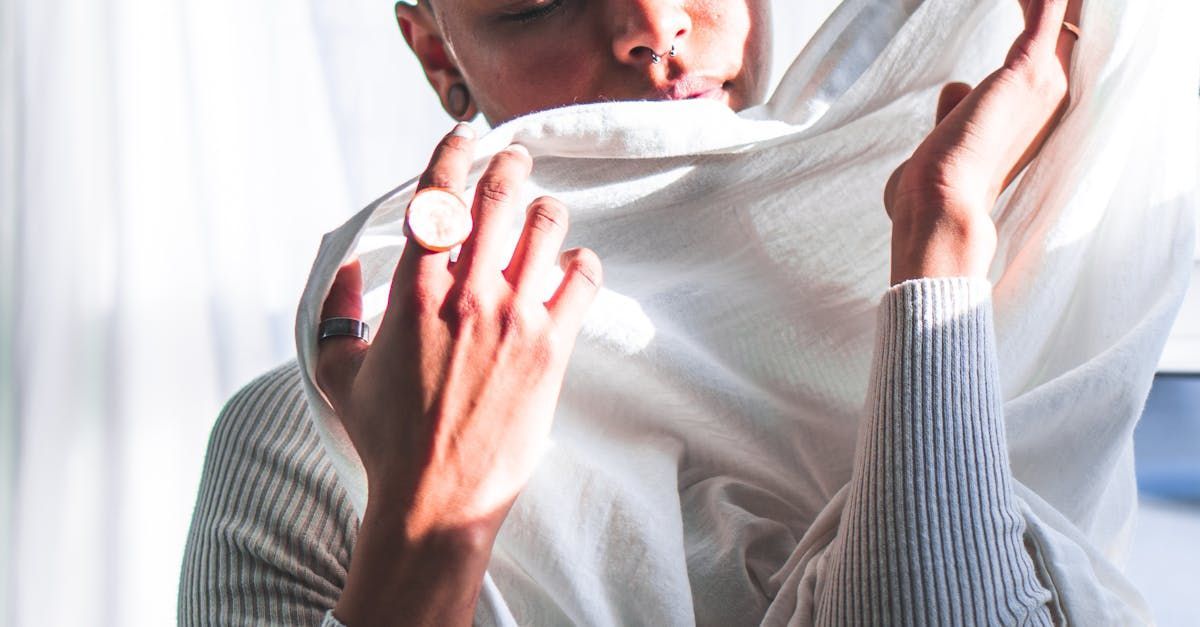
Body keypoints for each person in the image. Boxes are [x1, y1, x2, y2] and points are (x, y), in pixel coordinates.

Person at [179, 0, 1095, 624]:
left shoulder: (994, 320)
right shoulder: (311, 444)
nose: (655, 24)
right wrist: (428, 522)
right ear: (437, 53)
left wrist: (939, 241)